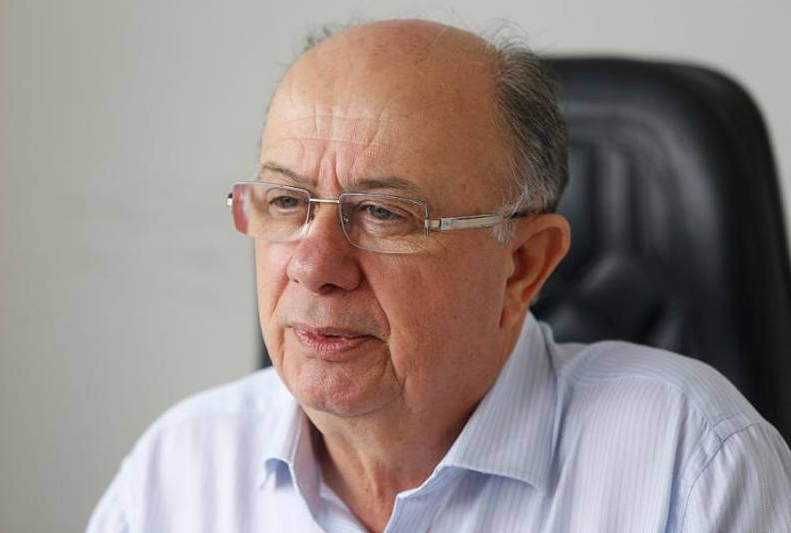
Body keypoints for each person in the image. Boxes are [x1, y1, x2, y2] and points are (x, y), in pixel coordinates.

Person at [88, 19, 791, 533]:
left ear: (523, 265)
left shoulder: (691, 464)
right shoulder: (179, 469)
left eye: (384, 213)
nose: (312, 265)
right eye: (286, 203)